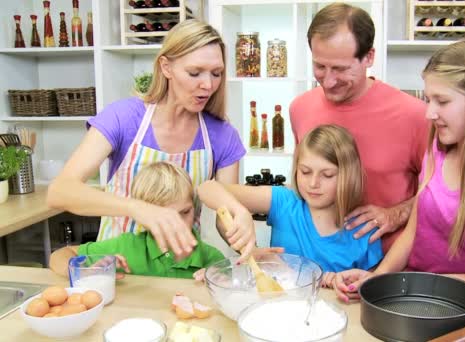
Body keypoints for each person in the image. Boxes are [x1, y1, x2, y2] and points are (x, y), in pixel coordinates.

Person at [333, 39, 465, 306]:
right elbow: (414, 232)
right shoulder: (438, 150)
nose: (429, 113)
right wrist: (377, 278)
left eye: (442, 101)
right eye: (428, 99)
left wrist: (407, 284)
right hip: (416, 299)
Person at [47, 20, 255, 261]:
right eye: (194, 73)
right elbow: (60, 192)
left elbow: (223, 215)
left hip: (179, 270)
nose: (208, 85)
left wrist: (242, 229)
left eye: (216, 74)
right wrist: (139, 209)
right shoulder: (124, 118)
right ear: (166, 67)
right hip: (116, 268)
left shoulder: (222, 135)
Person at [290, 2, 428, 253]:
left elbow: (442, 192)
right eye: (320, 66)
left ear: (369, 57)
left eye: (341, 69)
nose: (328, 81)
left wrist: (396, 214)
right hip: (321, 270)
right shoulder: (299, 109)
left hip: (389, 268)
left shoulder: (416, 115)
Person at [197, 125, 383, 287]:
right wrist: (240, 212)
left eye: (327, 175)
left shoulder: (364, 229)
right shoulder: (285, 201)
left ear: (348, 177)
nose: (313, 183)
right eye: (305, 172)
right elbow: (206, 188)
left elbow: (369, 290)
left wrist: (340, 285)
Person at [49, 162, 225, 280]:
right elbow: (58, 256)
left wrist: (219, 283)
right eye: (165, 217)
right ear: (145, 217)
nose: (178, 224)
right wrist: (85, 273)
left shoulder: (211, 258)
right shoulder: (127, 247)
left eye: (185, 212)